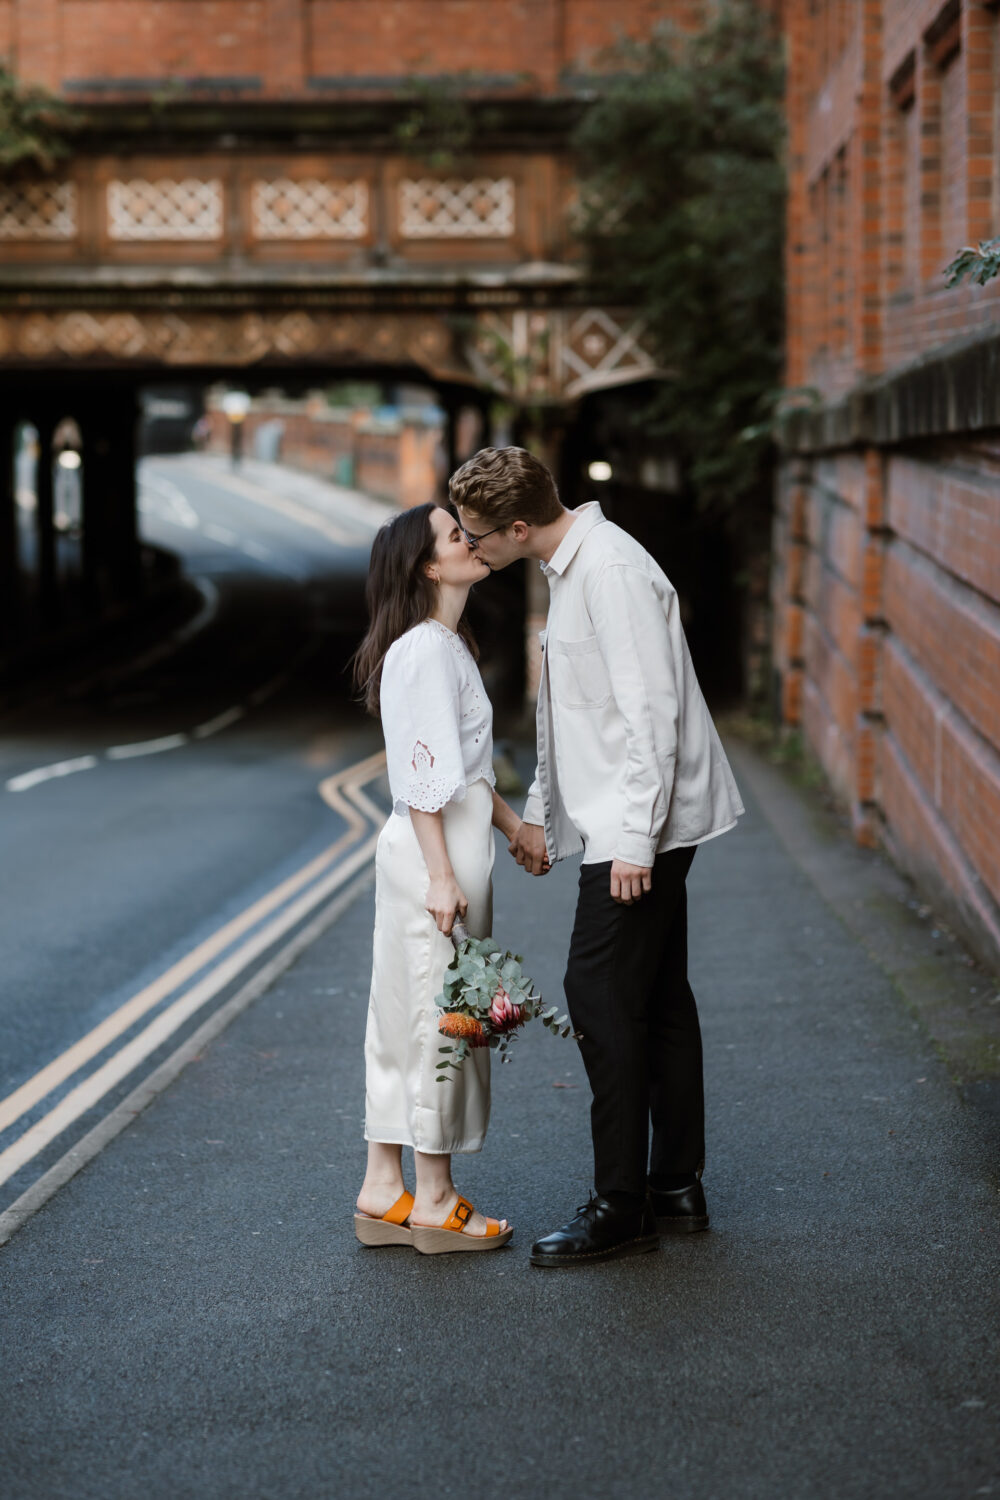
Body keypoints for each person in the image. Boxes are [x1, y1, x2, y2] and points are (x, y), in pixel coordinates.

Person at [450, 447, 745, 1268]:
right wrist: (542, 812)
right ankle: (675, 1185)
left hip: (638, 825)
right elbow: (575, 717)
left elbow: (652, 718)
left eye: (477, 537)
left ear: (517, 526)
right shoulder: (566, 563)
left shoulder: (609, 572)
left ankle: (622, 1206)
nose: (470, 550)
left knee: (598, 990)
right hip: (621, 817)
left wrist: (631, 843)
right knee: (654, 995)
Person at [351, 502, 523, 1255]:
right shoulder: (425, 650)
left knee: (403, 1018)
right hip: (435, 860)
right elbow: (422, 779)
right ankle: (436, 1199)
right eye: (457, 535)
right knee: (441, 1026)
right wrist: (444, 875)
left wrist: (514, 830)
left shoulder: (441, 645)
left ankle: (384, 1187)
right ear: (429, 566)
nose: (471, 540)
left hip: (432, 852)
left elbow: (461, 775)